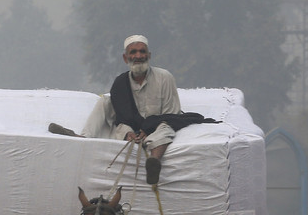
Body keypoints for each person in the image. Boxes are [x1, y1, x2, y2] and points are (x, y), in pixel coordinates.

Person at [59, 34, 215, 185]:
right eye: (133, 52)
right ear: (125, 58)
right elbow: (123, 117)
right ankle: (83, 137)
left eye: (142, 51)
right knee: (105, 101)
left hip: (159, 126)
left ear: (149, 55)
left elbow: (172, 114)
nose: (138, 55)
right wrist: (129, 133)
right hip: (131, 127)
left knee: (166, 128)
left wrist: (149, 129)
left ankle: (154, 162)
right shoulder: (120, 83)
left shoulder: (164, 78)